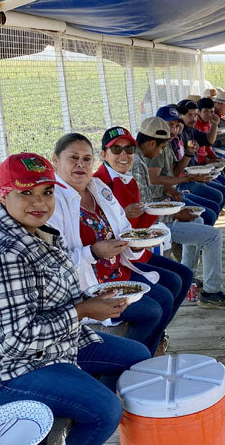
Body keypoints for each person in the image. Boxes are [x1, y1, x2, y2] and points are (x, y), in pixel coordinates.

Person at [0, 153, 150, 444]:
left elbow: (50, 294)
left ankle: (82, 395)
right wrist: (82, 311)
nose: (39, 202)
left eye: (47, 192)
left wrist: (94, 299)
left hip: (55, 345)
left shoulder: (36, 232)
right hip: (3, 370)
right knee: (105, 410)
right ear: (4, 194)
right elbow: (17, 341)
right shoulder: (0, 254)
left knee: (137, 357)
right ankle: (85, 408)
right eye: (26, 193)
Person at [48, 133, 180, 356]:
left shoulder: (97, 187)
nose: (81, 164)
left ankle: (145, 355)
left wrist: (136, 246)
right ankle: (132, 361)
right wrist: (94, 252)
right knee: (151, 310)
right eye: (73, 157)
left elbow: (123, 229)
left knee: (168, 292)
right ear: (55, 160)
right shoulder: (52, 201)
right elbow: (54, 263)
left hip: (115, 273)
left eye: (87, 159)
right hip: (86, 288)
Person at [133, 117, 225, 310]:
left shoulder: (140, 158)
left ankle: (187, 276)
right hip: (149, 227)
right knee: (214, 236)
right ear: (151, 142)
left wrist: (171, 194)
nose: (160, 152)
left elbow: (151, 195)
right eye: (160, 147)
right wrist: (174, 214)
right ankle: (212, 292)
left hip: (157, 215)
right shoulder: (137, 164)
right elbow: (143, 209)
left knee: (198, 220)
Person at [93, 125, 194, 319]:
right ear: (103, 154)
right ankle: (152, 342)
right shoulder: (98, 184)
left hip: (135, 252)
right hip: (118, 262)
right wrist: (126, 215)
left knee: (185, 276)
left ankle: (159, 334)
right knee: (169, 288)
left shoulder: (128, 179)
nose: (124, 154)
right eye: (116, 149)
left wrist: (155, 210)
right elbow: (101, 231)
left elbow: (138, 227)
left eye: (129, 149)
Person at [147, 105, 220, 225]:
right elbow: (154, 179)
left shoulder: (168, 142)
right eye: (170, 125)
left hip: (172, 191)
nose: (174, 130)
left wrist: (189, 154)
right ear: (158, 124)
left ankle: (196, 237)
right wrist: (188, 178)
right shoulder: (155, 145)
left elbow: (174, 172)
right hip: (160, 202)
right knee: (207, 216)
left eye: (176, 125)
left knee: (213, 206)